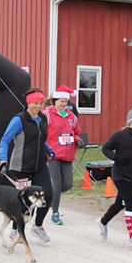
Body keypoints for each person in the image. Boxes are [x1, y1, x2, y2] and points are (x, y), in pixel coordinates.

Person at [0, 87, 54, 243]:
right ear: (29, 103)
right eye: (35, 103)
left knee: (48, 195)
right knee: (23, 200)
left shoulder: (43, 118)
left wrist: (48, 149)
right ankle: (16, 228)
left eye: (40, 103)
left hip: (40, 165)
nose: (38, 106)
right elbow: (5, 140)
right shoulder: (19, 119)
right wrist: (3, 159)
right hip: (21, 165)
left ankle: (37, 226)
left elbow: (40, 140)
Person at [98, 108, 132, 247]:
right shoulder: (119, 135)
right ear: (130, 122)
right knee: (131, 202)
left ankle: (102, 222)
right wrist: (118, 158)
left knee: (119, 204)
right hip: (120, 175)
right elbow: (105, 149)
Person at [42, 86, 84, 225]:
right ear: (54, 101)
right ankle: (55, 214)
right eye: (62, 101)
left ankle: (50, 198)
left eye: (66, 102)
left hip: (68, 153)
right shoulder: (47, 114)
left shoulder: (72, 116)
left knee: (67, 184)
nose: (64, 104)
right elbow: (40, 131)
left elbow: (75, 133)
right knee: (57, 182)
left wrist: (78, 141)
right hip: (53, 153)